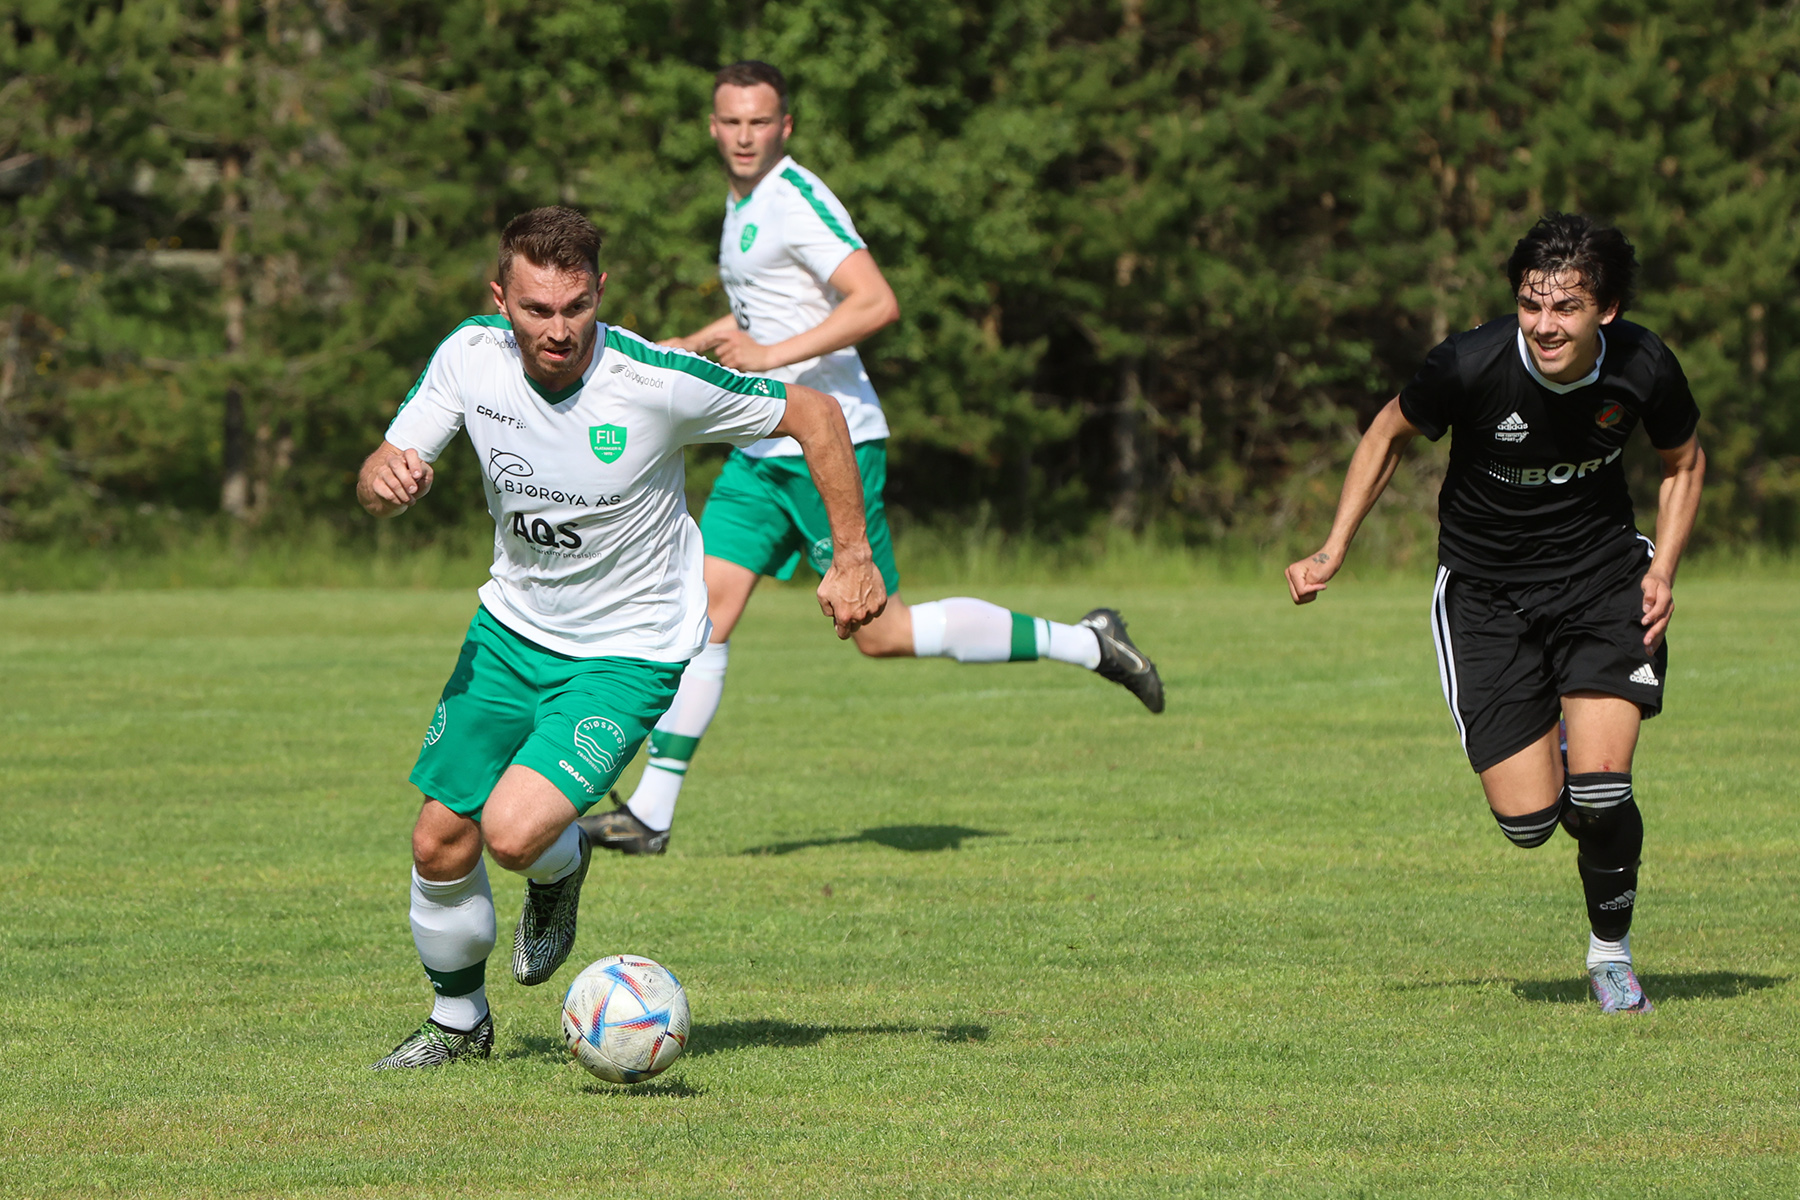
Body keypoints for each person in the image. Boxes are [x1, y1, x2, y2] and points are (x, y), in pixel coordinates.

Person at [582, 60, 1164, 858]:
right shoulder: (744, 203)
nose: (745, 135)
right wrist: (707, 342)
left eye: (760, 121)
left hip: (830, 443)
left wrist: (768, 355)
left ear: (784, 126)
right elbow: (771, 305)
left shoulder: (794, 197)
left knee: (882, 633)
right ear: (713, 127)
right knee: (701, 616)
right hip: (761, 446)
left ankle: (1091, 642)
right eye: (732, 122)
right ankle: (651, 813)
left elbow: (875, 300)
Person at [358, 206, 885, 1068]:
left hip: (628, 648)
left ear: (600, 293)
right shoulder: (469, 357)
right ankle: (459, 1024)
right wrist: (382, 480)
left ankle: (559, 872)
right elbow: (382, 475)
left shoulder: (654, 381)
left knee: (513, 833)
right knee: (436, 839)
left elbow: (816, 415)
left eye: (575, 307)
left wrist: (852, 556)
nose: (557, 329)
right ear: (501, 299)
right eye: (535, 309)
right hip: (510, 631)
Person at [1284, 213, 1705, 1015]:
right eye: (1530, 305)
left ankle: (1610, 957)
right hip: (1486, 597)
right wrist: (1334, 545)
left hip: (1603, 582)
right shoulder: (1471, 364)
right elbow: (1386, 433)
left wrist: (1669, 568)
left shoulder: (1645, 364)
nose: (1545, 326)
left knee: (1604, 793)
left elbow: (1683, 462)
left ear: (1604, 311)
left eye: (1566, 308)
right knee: (1529, 823)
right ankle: (1565, 744)